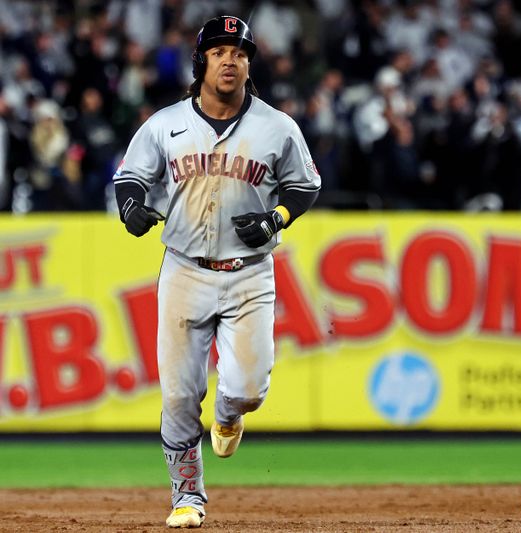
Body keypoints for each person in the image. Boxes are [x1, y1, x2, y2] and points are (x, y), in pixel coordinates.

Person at [113, 16, 321, 528]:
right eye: (220, 51)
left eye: (241, 52)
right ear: (201, 61)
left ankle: (229, 416)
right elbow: (131, 176)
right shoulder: (166, 123)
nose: (230, 60)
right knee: (179, 394)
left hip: (250, 274)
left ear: (250, 64)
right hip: (184, 271)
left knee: (249, 388)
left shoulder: (276, 126)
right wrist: (131, 207)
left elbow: (306, 184)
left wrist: (277, 218)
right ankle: (188, 496)